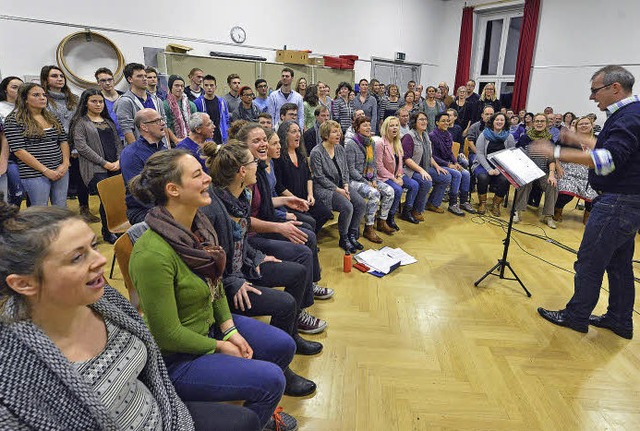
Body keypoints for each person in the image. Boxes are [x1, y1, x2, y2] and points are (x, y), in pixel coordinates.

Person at [0, 202, 264, 431]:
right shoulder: (14, 381)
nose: (100, 260)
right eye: (77, 257)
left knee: (246, 419)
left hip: (167, 416)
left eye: (94, 246)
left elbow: (154, 376)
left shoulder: (104, 300)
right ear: (24, 284)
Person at [128, 150, 298, 430]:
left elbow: (214, 282)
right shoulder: (151, 253)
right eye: (197, 175)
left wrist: (229, 328)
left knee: (283, 346)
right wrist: (220, 345)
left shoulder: (199, 225)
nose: (208, 177)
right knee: (271, 380)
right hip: (178, 359)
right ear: (173, 190)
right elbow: (167, 334)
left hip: (208, 328)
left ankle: (257, 418)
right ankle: (253, 422)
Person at [202, 142, 320, 393]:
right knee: (285, 303)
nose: (259, 165)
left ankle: (292, 337)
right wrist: (234, 282)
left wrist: (257, 256)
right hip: (229, 284)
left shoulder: (240, 195)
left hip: (243, 267)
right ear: (241, 171)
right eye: (253, 162)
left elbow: (241, 241)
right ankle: (280, 368)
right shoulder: (214, 207)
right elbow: (212, 265)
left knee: (298, 272)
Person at [532, 65, 640, 339]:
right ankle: (619, 319)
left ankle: (576, 316)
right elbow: (617, 148)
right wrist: (578, 138)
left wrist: (556, 151)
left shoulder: (628, 118)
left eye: (596, 90)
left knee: (589, 262)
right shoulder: (631, 113)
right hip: (629, 202)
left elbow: (610, 158)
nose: (592, 98)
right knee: (618, 265)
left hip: (617, 203)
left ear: (615, 88)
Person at [236, 123, 330, 328]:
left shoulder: (258, 169)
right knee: (303, 248)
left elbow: (263, 204)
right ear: (243, 146)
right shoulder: (245, 175)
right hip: (252, 238)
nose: (263, 144)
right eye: (257, 141)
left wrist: (287, 201)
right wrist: (279, 225)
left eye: (264, 140)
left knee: (307, 236)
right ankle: (298, 312)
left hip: (258, 230)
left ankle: (304, 296)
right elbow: (242, 222)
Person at [69, 89, 122, 244]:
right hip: (96, 168)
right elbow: (82, 147)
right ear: (86, 103)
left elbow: (118, 142)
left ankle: (117, 228)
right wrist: (103, 162)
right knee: (105, 201)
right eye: (94, 101)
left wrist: (118, 160)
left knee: (116, 200)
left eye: (100, 101)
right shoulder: (81, 123)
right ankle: (107, 232)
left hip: (115, 165)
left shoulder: (108, 121)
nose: (98, 104)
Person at [4, 83, 70, 207]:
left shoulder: (52, 117)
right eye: (36, 95)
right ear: (25, 99)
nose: (42, 98)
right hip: (34, 173)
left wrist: (65, 163)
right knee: (40, 209)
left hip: (60, 169)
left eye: (44, 95)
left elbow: (63, 140)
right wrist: (45, 170)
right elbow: (19, 150)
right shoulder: (13, 120)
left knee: (61, 207)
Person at [310, 120, 367, 253]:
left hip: (341, 185)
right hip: (324, 189)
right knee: (347, 206)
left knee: (360, 203)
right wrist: (339, 190)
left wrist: (346, 186)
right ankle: (344, 238)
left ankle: (352, 234)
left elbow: (345, 170)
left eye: (339, 131)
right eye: (334, 132)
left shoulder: (340, 148)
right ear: (325, 134)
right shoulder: (316, 152)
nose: (338, 134)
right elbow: (319, 178)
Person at [274, 121, 333, 234]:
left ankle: (311, 236)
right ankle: (308, 238)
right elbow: (279, 186)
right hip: (290, 200)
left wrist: (310, 194)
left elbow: (309, 177)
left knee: (325, 213)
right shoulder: (278, 157)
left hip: (305, 196)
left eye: (299, 131)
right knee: (309, 220)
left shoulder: (301, 154)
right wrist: (296, 199)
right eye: (293, 132)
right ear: (284, 135)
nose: (298, 135)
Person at [344, 116, 395, 242]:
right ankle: (368, 227)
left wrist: (374, 179)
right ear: (357, 128)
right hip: (354, 180)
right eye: (364, 125)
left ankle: (382, 221)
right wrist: (367, 182)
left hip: (369, 178)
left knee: (390, 191)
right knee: (374, 194)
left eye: (369, 124)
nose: (368, 127)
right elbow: (351, 170)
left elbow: (373, 164)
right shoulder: (351, 144)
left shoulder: (371, 142)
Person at [120, 108, 169, 224]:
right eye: (157, 121)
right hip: (143, 211)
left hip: (165, 204)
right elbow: (139, 193)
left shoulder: (163, 149)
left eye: (161, 119)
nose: (162, 123)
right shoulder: (131, 154)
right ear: (144, 127)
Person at [402, 111, 452, 217]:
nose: (424, 121)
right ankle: (416, 210)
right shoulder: (409, 136)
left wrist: (437, 167)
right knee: (426, 181)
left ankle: (432, 203)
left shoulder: (425, 135)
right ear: (414, 122)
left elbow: (429, 156)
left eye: (425, 119)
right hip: (409, 170)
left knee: (445, 177)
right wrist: (421, 171)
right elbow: (406, 159)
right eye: (421, 119)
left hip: (424, 167)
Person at [514, 113, 559, 228]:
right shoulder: (525, 137)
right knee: (524, 182)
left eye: (542, 121)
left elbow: (552, 160)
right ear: (533, 123)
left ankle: (548, 216)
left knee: (552, 184)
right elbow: (518, 155)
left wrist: (552, 175)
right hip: (527, 170)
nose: (539, 123)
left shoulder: (550, 140)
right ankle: (517, 211)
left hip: (543, 171)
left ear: (546, 124)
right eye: (537, 121)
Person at [375, 116, 420, 227]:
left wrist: (399, 175)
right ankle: (390, 217)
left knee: (414, 185)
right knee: (397, 189)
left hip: (396, 174)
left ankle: (407, 212)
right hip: (384, 176)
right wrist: (394, 179)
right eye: (391, 126)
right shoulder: (380, 143)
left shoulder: (397, 142)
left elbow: (400, 163)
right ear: (386, 128)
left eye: (396, 125)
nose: (395, 128)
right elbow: (379, 167)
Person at [554, 116, 598, 224]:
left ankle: (588, 215)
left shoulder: (597, 140)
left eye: (586, 123)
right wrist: (558, 167)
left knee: (593, 194)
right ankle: (557, 210)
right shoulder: (569, 138)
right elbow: (554, 153)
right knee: (567, 193)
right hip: (567, 171)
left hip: (588, 174)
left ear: (592, 126)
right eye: (580, 124)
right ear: (576, 126)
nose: (583, 126)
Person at [429, 113, 475, 216]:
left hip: (448, 163)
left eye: (447, 120)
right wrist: (449, 165)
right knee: (457, 174)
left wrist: (455, 162)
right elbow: (432, 156)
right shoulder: (432, 135)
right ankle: (453, 204)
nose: (446, 123)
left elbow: (450, 152)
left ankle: (463, 201)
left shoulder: (448, 134)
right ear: (437, 123)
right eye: (443, 121)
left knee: (466, 173)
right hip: (436, 164)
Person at [471, 112, 515, 215]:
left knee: (505, 179)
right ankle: (483, 203)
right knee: (483, 177)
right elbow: (480, 153)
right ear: (493, 121)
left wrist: (499, 169)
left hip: (501, 166)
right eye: (497, 120)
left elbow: (510, 155)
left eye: (502, 120)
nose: (499, 122)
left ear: (505, 122)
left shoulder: (509, 137)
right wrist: (488, 169)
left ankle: (496, 204)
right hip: (483, 164)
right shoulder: (484, 134)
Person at [114, 62, 166, 144]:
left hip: (160, 146)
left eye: (145, 76)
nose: (144, 79)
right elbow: (127, 129)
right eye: (139, 76)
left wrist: (168, 147)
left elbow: (164, 124)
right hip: (141, 147)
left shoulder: (156, 100)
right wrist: (137, 152)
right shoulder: (125, 101)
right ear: (130, 79)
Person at [0, 76, 25, 206]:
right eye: (14, 87)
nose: (18, 91)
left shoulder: (27, 108)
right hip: (8, 155)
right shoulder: (1, 107)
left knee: (24, 193)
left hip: (28, 154)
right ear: (5, 89)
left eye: (21, 88)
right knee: (15, 192)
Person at [194, 74, 230, 145]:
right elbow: (196, 123)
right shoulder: (198, 103)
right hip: (206, 139)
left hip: (221, 138)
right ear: (203, 87)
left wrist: (226, 135)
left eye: (211, 85)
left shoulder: (222, 102)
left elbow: (226, 120)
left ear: (215, 87)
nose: (209, 88)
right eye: (206, 85)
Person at [164, 75, 198, 146]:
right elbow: (165, 125)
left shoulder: (191, 104)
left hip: (191, 140)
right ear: (171, 87)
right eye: (176, 85)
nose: (179, 88)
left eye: (182, 86)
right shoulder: (165, 104)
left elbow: (195, 124)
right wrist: (176, 140)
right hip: (173, 143)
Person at [95, 67, 124, 141]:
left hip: (128, 136)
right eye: (103, 80)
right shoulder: (96, 101)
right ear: (98, 83)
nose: (107, 83)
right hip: (108, 139)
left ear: (113, 80)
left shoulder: (124, 97)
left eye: (109, 80)